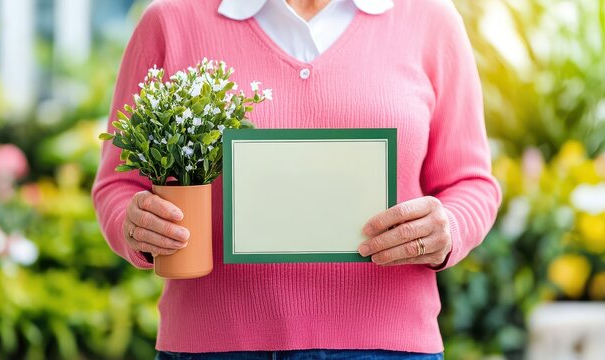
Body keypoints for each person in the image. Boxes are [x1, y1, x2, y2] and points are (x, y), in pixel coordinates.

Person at [91, 0, 502, 359]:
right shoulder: (171, 21)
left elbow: (471, 183)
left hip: (388, 347)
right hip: (211, 347)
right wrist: (136, 225)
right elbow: (117, 184)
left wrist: (448, 228)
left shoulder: (430, 19)